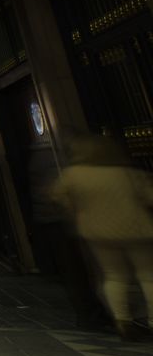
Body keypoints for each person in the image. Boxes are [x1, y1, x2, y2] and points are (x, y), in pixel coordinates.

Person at [53, 135, 153, 340]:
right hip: (136, 229)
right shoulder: (126, 172)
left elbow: (58, 196)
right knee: (147, 274)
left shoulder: (74, 174)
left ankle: (122, 320)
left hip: (98, 231)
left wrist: (78, 213)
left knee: (113, 275)